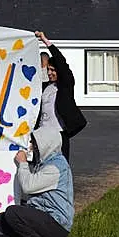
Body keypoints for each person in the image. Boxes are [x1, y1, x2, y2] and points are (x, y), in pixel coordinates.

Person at [0, 127, 74, 237]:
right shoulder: (46, 163)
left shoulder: (55, 167)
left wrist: (23, 164)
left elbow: (28, 186)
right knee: (2, 221)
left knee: (13, 213)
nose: (31, 147)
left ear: (45, 145)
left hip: (57, 224)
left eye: (35, 144)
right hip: (47, 215)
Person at [34, 31, 87, 161]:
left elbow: (61, 62)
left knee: (60, 167)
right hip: (42, 134)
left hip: (59, 134)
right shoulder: (45, 87)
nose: (50, 73)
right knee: (41, 165)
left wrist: (45, 40)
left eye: (53, 70)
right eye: (48, 70)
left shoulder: (65, 85)